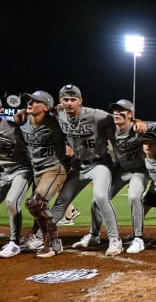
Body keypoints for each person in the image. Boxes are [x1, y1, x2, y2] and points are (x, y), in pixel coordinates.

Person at [23, 84, 123, 256]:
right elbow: (39, 113)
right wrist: (20, 114)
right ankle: (41, 237)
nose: (69, 103)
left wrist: (136, 122)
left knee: (100, 196)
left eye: (73, 99)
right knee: (61, 202)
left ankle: (115, 239)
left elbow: (119, 119)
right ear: (60, 101)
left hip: (99, 163)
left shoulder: (96, 115)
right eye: (65, 99)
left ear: (80, 101)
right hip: (78, 165)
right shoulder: (58, 113)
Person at [73, 99, 156, 254]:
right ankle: (94, 235)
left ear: (130, 114)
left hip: (139, 170)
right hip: (119, 170)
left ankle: (138, 238)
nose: (117, 113)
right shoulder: (110, 127)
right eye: (115, 111)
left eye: (121, 111)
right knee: (97, 200)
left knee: (133, 197)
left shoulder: (139, 129)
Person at [20, 90, 67, 258]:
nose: (30, 103)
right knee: (38, 208)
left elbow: (73, 128)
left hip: (54, 169)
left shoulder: (56, 123)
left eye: (35, 101)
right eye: (29, 101)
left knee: (35, 203)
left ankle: (53, 243)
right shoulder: (24, 120)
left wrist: (61, 111)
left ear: (46, 107)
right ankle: (36, 236)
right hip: (35, 170)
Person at [0, 108, 33, 258]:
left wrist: (26, 114)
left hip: (23, 169)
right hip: (4, 172)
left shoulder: (13, 124)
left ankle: (14, 243)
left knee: (12, 201)